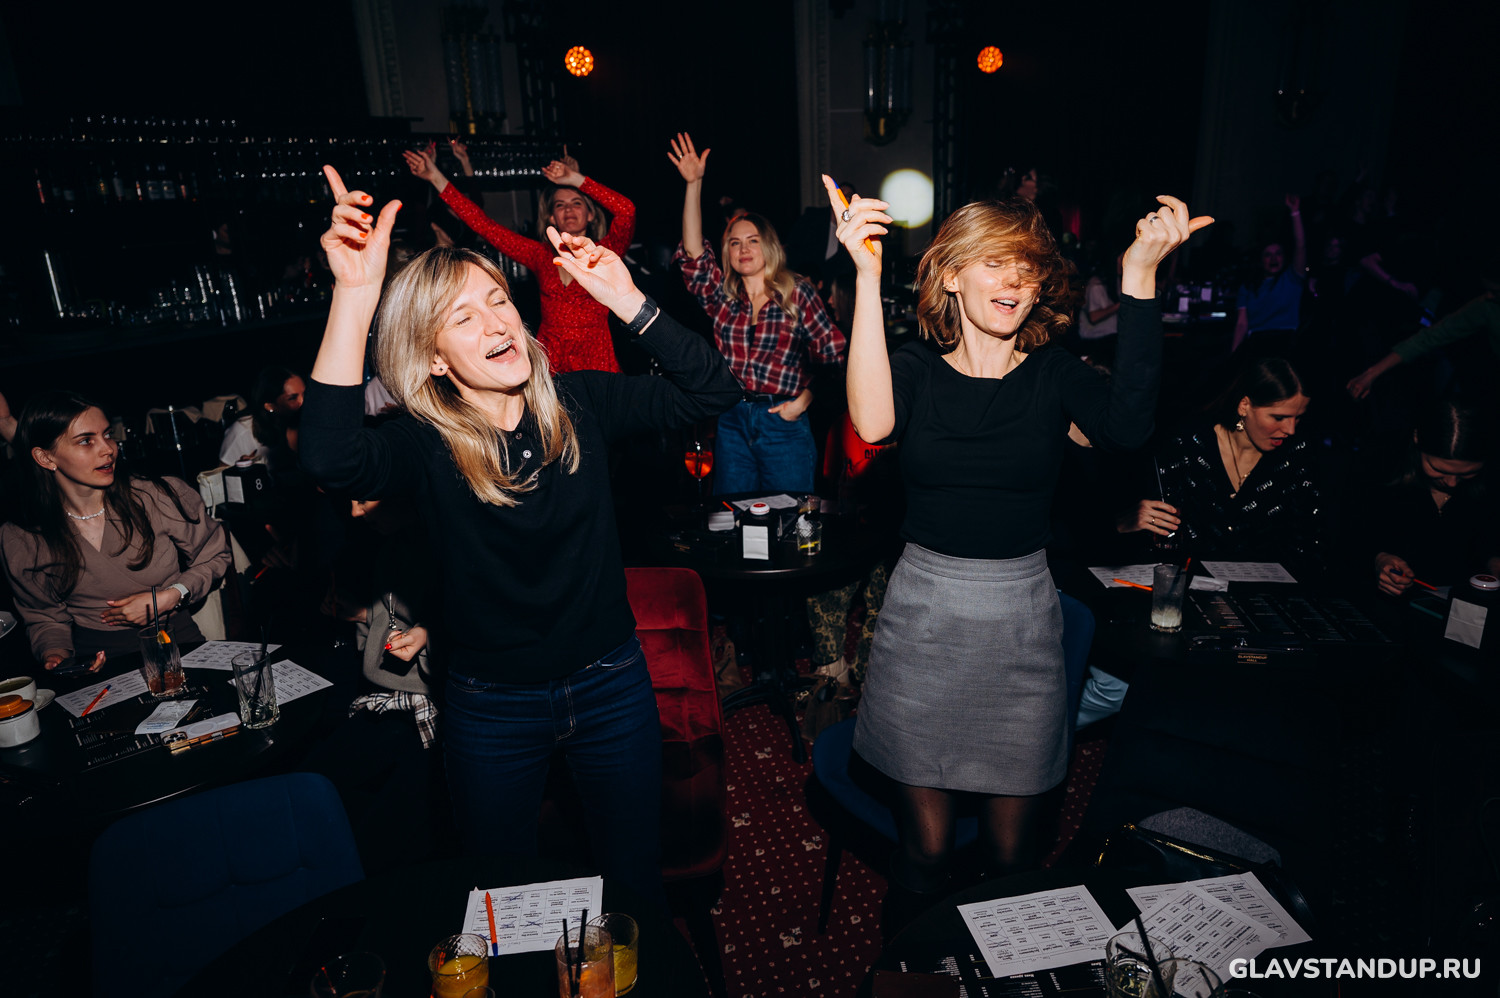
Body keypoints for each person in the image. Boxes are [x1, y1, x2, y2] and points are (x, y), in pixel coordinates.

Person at [298, 166, 740, 906]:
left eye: (498, 300)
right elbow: (329, 458)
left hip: (609, 683)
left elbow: (713, 390)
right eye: (463, 317)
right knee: (501, 896)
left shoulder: (580, 401)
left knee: (634, 885)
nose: (496, 323)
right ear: (434, 357)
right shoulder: (426, 442)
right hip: (492, 705)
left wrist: (627, 299)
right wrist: (353, 295)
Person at [829, 176, 1209, 923]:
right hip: (924, 623)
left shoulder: (1054, 375)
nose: (1014, 281)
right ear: (951, 275)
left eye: (1028, 268)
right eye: (996, 262)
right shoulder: (916, 370)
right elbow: (872, 424)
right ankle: (917, 968)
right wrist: (866, 278)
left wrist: (1138, 277)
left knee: (1012, 854)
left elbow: (1127, 429)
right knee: (927, 851)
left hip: (1020, 626)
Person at [669, 133, 847, 493]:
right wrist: (693, 184)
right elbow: (693, 256)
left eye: (752, 240)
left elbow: (834, 356)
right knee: (731, 515)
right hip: (732, 419)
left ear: (769, 247)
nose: (743, 248)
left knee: (791, 516)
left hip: (783, 421)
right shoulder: (723, 298)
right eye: (734, 242)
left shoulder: (797, 292)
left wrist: (803, 402)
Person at [1, 392, 231, 670]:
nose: (108, 449)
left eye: (107, 435)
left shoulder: (155, 497)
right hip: (97, 660)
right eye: (86, 440)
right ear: (46, 458)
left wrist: (172, 595)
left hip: (175, 642)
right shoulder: (24, 536)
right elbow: (44, 616)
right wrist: (55, 655)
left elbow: (215, 555)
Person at [403, 141, 635, 374]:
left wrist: (576, 179)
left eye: (577, 203)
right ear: (552, 217)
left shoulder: (604, 254)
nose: (568, 210)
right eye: (560, 205)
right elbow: (484, 225)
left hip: (596, 357)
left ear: (591, 214)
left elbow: (626, 211)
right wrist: (435, 177)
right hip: (552, 361)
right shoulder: (539, 255)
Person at [1120, 357, 1320, 569]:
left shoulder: (1296, 456)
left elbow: (1309, 546)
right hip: (1183, 581)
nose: (1290, 429)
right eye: (1279, 418)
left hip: (1263, 587)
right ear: (1244, 406)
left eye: (1298, 418)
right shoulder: (1188, 444)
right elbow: (1154, 535)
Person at [1356, 395, 1498, 596]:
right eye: (1438, 469)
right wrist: (1379, 559)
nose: (1452, 483)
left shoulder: (1492, 485)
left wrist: (1494, 561)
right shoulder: (1379, 472)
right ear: (1417, 438)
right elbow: (1352, 539)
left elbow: (1488, 540)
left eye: (1467, 473)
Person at [1345, 270, 1500, 400]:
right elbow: (1430, 337)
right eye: (1487, 290)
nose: (1489, 296)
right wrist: (1371, 374)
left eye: (1495, 292)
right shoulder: (1486, 306)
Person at [1230, 195, 1307, 356]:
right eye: (1268, 255)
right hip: (1257, 343)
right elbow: (1242, 324)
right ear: (1260, 260)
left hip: (1286, 342)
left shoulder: (1291, 278)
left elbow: (1300, 245)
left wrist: (1295, 213)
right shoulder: (1248, 286)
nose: (1273, 259)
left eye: (1278, 254)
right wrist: (1233, 356)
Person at [219, 366, 306, 467]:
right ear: (270, 406)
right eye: (292, 398)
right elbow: (222, 473)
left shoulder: (309, 422)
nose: (303, 401)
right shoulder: (243, 431)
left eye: (305, 393)